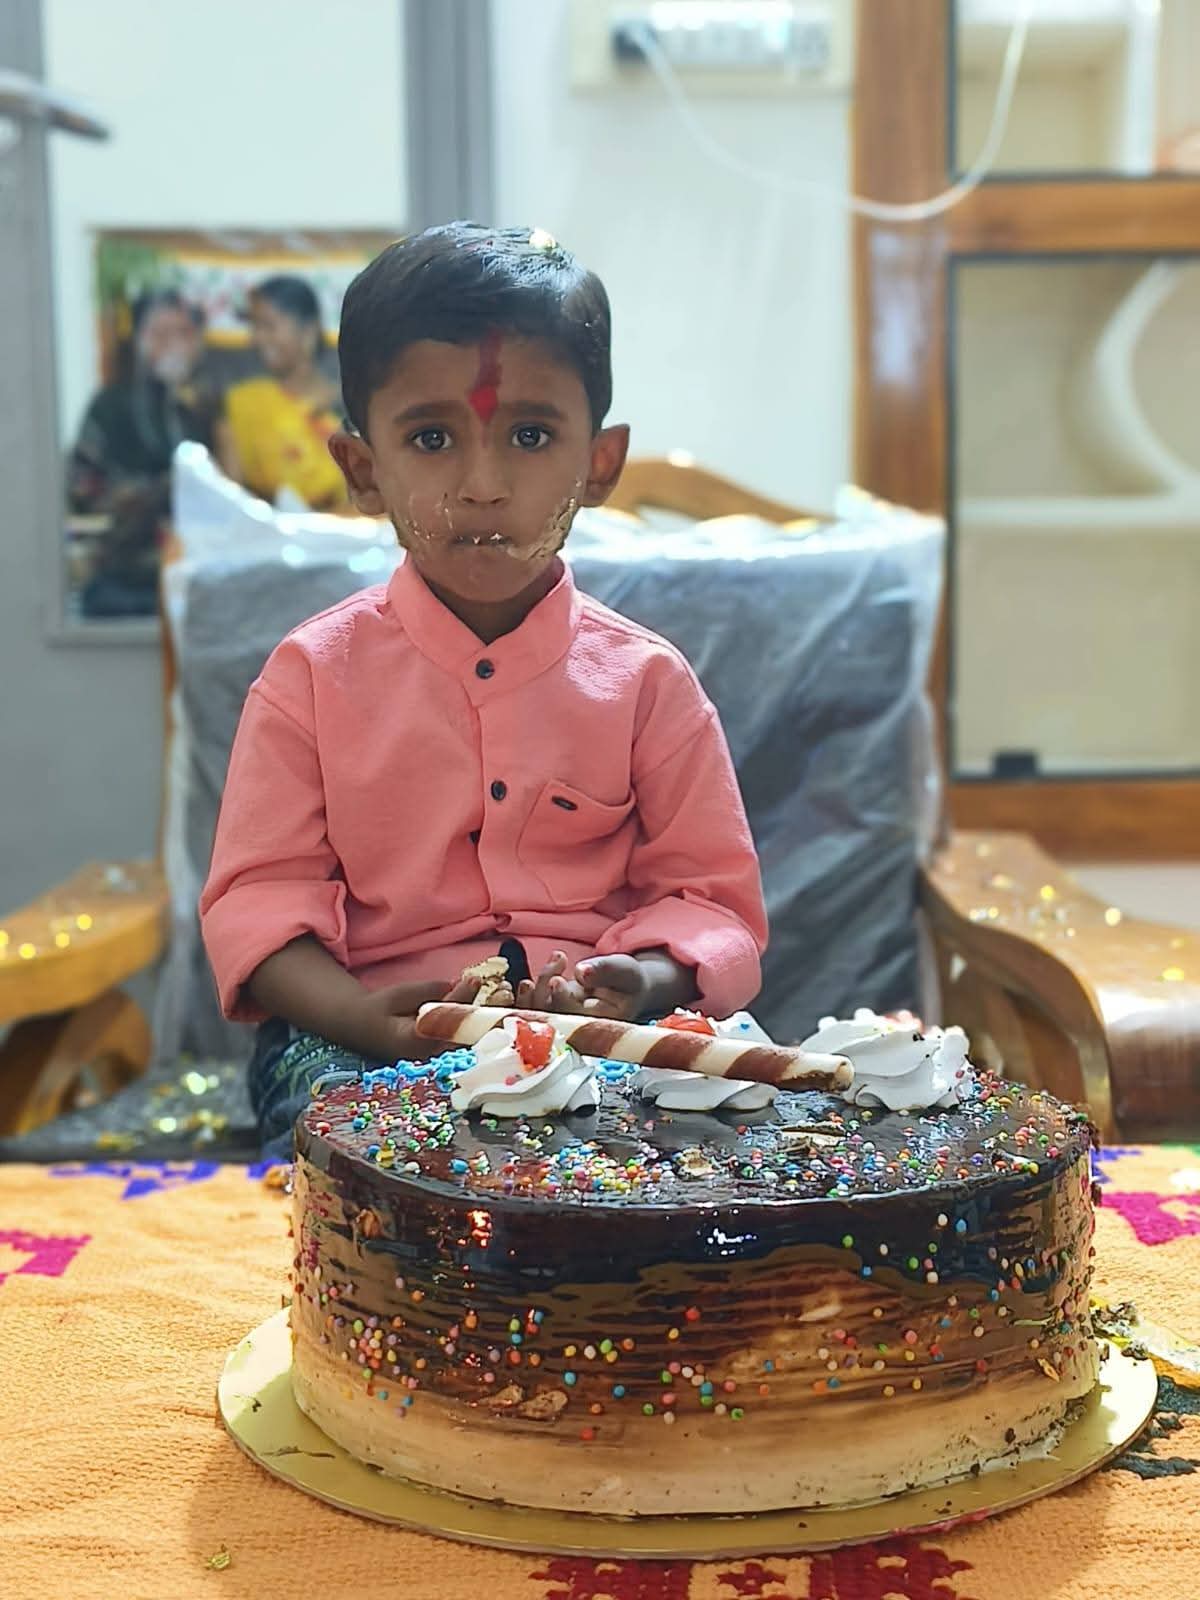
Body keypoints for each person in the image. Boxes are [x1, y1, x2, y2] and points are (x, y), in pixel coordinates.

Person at [199, 222, 767, 1158]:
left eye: (531, 435)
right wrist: (361, 1017)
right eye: (431, 438)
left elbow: (713, 904)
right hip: (363, 1040)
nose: (483, 483)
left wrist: (646, 982)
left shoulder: (648, 685)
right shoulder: (309, 680)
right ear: (363, 472)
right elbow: (257, 903)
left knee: (740, 1108)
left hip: (606, 1040)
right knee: (356, 1144)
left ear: (599, 465)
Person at [68, 289, 215, 616]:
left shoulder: (207, 407)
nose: (172, 345)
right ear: (138, 341)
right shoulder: (110, 405)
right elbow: (83, 488)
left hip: (200, 571)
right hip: (129, 570)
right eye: (159, 334)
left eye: (183, 334)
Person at [218, 275, 347, 509]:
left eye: (269, 326)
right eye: (255, 327)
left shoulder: (349, 407)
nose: (257, 338)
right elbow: (231, 501)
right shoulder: (243, 402)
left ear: (308, 332)